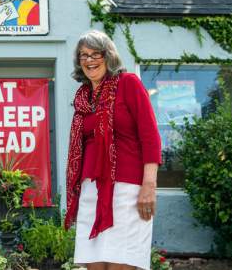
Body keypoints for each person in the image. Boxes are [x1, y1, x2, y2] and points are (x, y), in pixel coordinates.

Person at [65, 30, 161, 270]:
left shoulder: (128, 84)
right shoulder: (83, 97)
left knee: (121, 263)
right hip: (91, 191)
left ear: (108, 56)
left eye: (95, 53)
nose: (89, 60)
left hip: (128, 190)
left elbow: (150, 137)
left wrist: (149, 185)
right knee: (95, 265)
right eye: (83, 55)